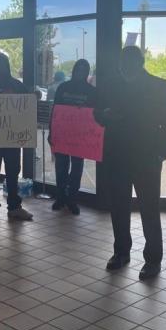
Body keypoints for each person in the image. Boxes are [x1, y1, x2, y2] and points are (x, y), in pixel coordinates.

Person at [95, 46, 166, 280]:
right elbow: (97, 113)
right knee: (118, 208)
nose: (124, 67)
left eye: (129, 63)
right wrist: (104, 115)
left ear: (139, 63)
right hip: (116, 156)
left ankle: (153, 260)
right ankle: (121, 252)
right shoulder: (111, 84)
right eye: (122, 63)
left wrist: (162, 151)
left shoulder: (160, 86)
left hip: (147, 157)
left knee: (149, 209)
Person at [0, 53, 34, 222]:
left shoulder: (17, 85)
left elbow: (27, 105)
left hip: (11, 139)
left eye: (1, 63)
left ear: (7, 65)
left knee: (12, 173)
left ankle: (14, 208)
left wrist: (34, 97)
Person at [49, 60, 96, 215]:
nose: (81, 72)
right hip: (62, 134)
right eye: (79, 69)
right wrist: (51, 132)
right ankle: (60, 197)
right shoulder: (63, 87)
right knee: (60, 167)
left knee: (77, 169)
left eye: (84, 70)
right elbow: (55, 112)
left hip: (80, 138)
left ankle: (72, 200)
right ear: (74, 70)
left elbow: (95, 115)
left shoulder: (91, 91)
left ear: (87, 72)